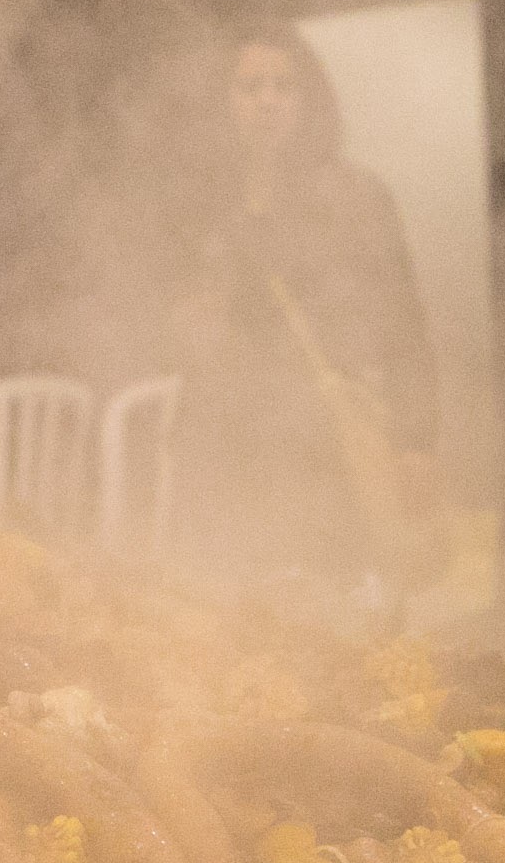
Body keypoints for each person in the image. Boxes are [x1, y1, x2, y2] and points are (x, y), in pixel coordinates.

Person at [175, 29, 437, 592]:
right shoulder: (202, 201)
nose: (266, 101)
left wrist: (415, 440)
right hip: (225, 447)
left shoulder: (356, 197)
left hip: (323, 449)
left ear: (308, 99)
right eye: (249, 87)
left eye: (283, 86)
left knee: (328, 620)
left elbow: (404, 326)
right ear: (225, 102)